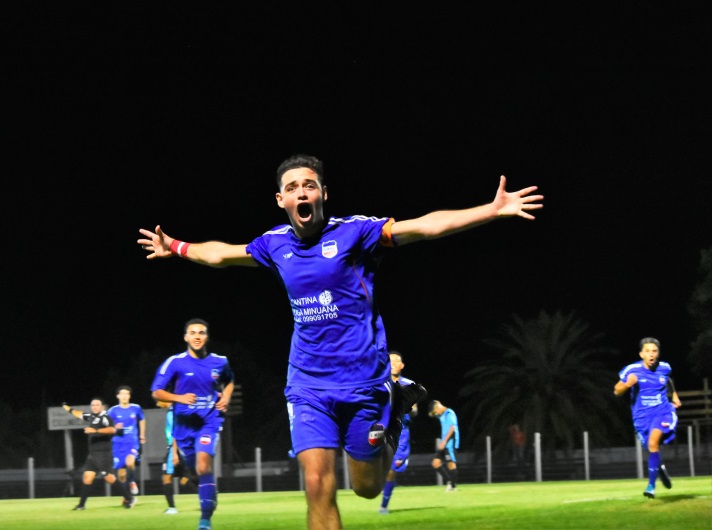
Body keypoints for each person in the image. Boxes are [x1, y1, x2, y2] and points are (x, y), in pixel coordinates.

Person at [138, 153, 543, 529]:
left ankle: (392, 413)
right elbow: (221, 254)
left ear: (323, 194)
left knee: (365, 487)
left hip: (364, 381)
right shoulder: (274, 244)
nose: (302, 192)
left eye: (309, 185)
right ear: (281, 199)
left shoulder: (354, 233)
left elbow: (423, 226)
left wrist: (490, 210)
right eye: (293, 187)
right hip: (308, 384)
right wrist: (174, 246)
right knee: (317, 485)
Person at [151, 318, 234, 530]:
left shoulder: (220, 361)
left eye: (202, 332)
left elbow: (230, 380)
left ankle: (205, 520)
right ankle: (209, 495)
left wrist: (226, 396)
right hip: (184, 427)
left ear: (207, 337)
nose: (197, 336)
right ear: (186, 337)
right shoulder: (175, 362)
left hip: (209, 421)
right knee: (194, 470)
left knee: (203, 464)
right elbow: (156, 392)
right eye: (193, 332)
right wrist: (179, 398)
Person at [614, 337, 682, 499]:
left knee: (653, 443)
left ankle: (651, 486)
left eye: (654, 351)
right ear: (641, 354)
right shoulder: (632, 370)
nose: (651, 354)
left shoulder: (665, 368)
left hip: (663, 412)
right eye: (647, 351)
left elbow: (668, 381)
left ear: (658, 353)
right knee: (651, 448)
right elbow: (616, 390)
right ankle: (659, 469)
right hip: (641, 417)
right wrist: (627, 384)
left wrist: (674, 396)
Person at [62, 399, 135, 510]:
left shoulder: (105, 417)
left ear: (102, 407)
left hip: (103, 454)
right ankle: (81, 505)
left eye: (97, 405)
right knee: (87, 478)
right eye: (93, 405)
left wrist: (95, 431)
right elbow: (80, 414)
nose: (95, 407)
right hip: (93, 455)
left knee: (109, 478)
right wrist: (68, 408)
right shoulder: (92, 417)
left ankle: (129, 498)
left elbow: (112, 429)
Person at [378, 351, 419, 514]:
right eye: (390, 361)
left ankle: (383, 505)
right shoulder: (379, 384)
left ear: (402, 366)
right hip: (379, 431)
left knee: (391, 471)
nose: (393, 363)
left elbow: (415, 411)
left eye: (397, 361)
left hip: (399, 434)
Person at [156, 399, 199, 515]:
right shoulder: (176, 411)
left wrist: (174, 453)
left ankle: (172, 508)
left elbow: (175, 433)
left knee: (166, 477)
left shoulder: (172, 413)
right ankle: (207, 495)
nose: (157, 403)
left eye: (158, 400)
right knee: (184, 479)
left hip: (174, 449)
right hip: (179, 449)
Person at [108, 385, 146, 496]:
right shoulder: (112, 411)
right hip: (118, 443)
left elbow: (142, 420)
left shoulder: (136, 408)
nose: (124, 396)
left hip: (132, 441)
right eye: (122, 394)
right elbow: (108, 425)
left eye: (127, 394)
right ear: (118, 396)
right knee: (121, 474)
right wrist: (115, 427)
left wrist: (142, 435)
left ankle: (132, 481)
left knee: (130, 463)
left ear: (129, 396)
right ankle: (127, 497)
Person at [429, 400, 459, 491]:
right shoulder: (442, 415)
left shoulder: (449, 413)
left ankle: (453, 487)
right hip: (445, 444)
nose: (436, 414)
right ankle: (450, 482)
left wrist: (444, 441)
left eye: (435, 411)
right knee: (435, 463)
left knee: (451, 463)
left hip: (450, 443)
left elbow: (453, 428)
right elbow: (435, 412)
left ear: (438, 407)